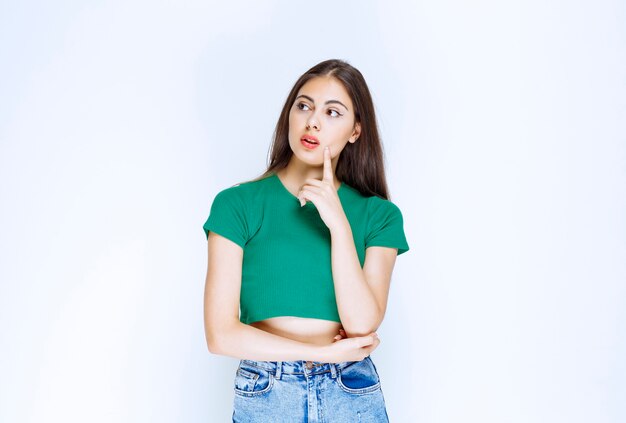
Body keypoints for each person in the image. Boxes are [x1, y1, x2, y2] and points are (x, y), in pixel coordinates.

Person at [202, 58, 410, 422]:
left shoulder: (379, 216)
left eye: (333, 112)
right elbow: (220, 335)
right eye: (304, 106)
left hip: (350, 389)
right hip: (267, 391)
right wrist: (322, 354)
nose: (313, 121)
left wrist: (339, 224)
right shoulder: (238, 204)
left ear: (355, 131)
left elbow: (362, 325)